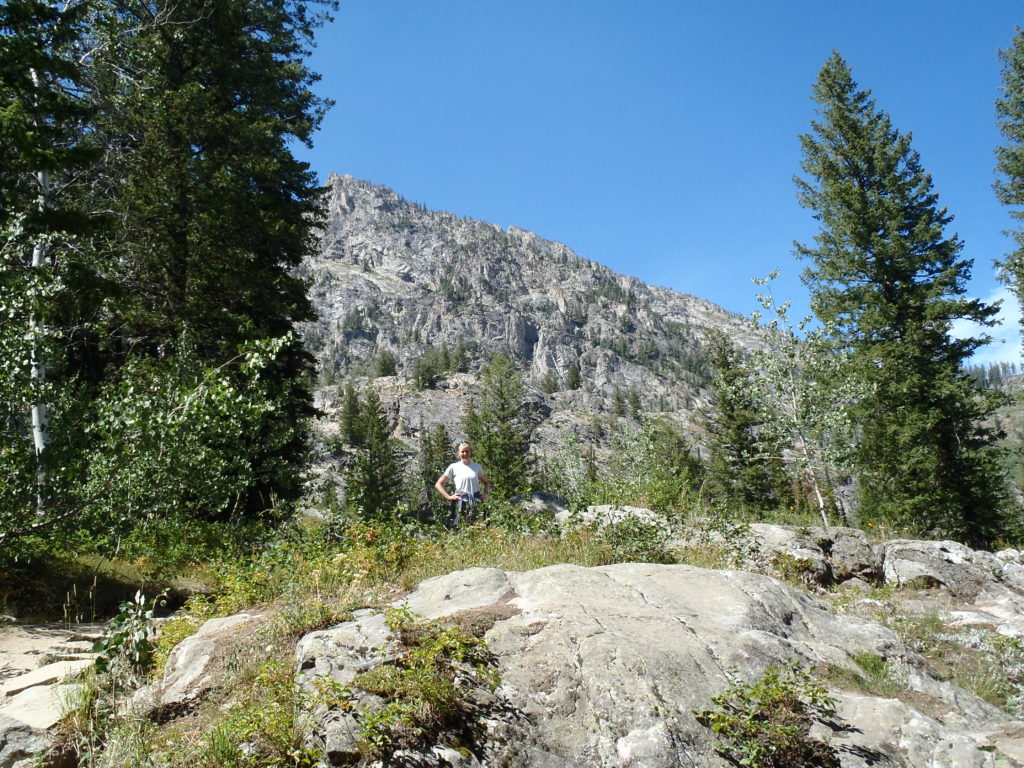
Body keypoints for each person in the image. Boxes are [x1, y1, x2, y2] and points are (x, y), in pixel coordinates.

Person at [434, 442, 491, 526]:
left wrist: (485, 493)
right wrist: (449, 497)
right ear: (459, 453)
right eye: (462, 452)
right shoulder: (453, 467)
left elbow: (486, 482)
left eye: (467, 451)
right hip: (460, 501)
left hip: (476, 501)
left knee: (478, 526)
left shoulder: (477, 467)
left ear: (470, 452)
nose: (465, 454)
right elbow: (438, 484)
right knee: (458, 527)